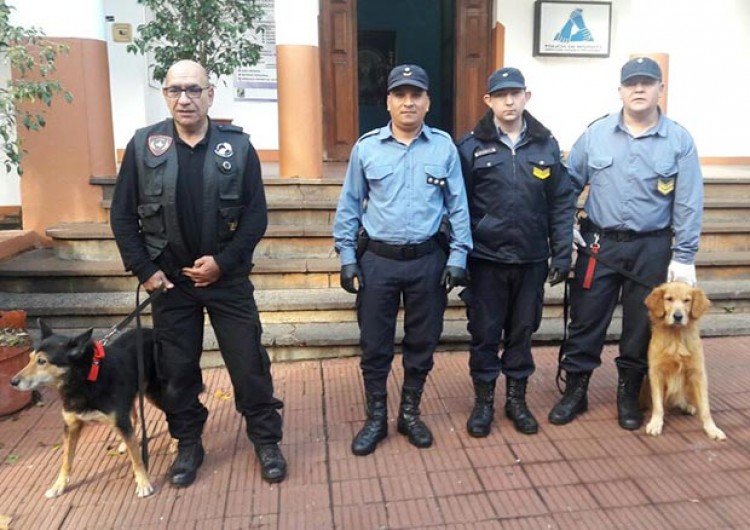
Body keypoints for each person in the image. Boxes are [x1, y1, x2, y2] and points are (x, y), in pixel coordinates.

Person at [110, 60, 286, 487]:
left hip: (227, 280)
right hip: (170, 284)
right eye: (175, 90)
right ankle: (188, 444)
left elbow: (256, 217)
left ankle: (266, 440)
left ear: (210, 94)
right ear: (165, 95)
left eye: (193, 89)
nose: (184, 99)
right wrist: (145, 270)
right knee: (176, 371)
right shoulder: (143, 146)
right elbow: (122, 217)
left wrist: (223, 263)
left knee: (249, 364)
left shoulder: (237, 148)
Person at [548, 57, 704, 430]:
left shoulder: (679, 141)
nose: (639, 89)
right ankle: (576, 392)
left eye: (646, 83)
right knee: (585, 319)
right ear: (620, 90)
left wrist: (684, 256)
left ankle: (629, 397)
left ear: (660, 89)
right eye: (631, 83)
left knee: (640, 326)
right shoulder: (595, 134)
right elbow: (567, 186)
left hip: (651, 248)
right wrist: (565, 229)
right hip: (599, 246)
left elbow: (688, 202)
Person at [333, 64, 472, 456]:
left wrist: (459, 255)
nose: (408, 102)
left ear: (427, 102)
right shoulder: (367, 148)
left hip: (428, 260)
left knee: (422, 342)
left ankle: (409, 413)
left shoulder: (443, 147)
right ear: (388, 102)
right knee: (374, 345)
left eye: (416, 95)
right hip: (378, 261)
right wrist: (347, 256)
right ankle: (375, 418)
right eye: (400, 95)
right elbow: (349, 205)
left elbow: (458, 205)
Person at [457, 67, 575, 437]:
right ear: (488, 100)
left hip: (531, 259)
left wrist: (561, 254)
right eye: (500, 95)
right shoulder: (470, 146)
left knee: (523, 332)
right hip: (486, 260)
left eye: (515, 93)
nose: (509, 101)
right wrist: (459, 257)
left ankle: (516, 401)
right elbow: (457, 206)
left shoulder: (545, 144)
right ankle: (483, 403)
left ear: (527, 96)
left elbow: (561, 202)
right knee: (485, 333)